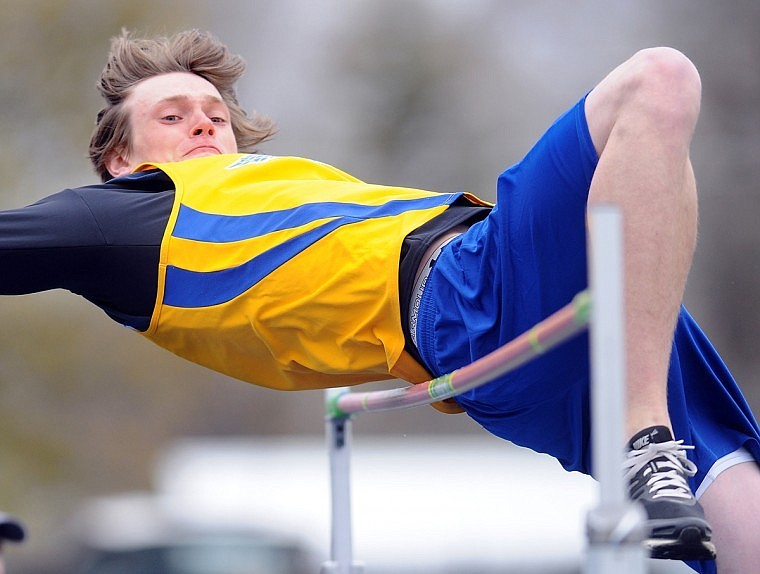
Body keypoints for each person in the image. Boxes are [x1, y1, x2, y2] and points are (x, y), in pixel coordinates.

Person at [1, 29, 758, 574]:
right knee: (658, 80)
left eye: (214, 112)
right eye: (172, 116)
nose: (204, 119)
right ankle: (644, 438)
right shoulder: (121, 217)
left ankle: (650, 439)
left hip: (537, 331)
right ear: (119, 160)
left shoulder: (263, 184)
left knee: (738, 503)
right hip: (473, 296)